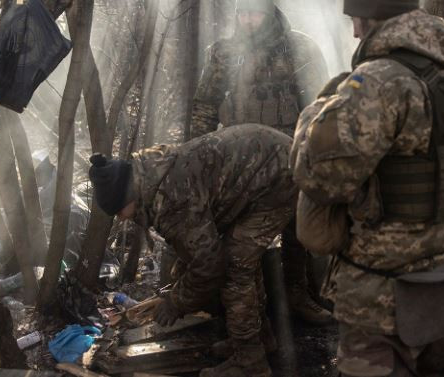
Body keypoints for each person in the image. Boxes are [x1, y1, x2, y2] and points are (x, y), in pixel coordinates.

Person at [290, 0, 444, 377]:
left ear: (375, 18)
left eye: (357, 19)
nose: (353, 31)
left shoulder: (381, 84)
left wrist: (314, 116)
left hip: (383, 299)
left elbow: (318, 177)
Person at [89, 124, 296, 377]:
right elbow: (198, 239)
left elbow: (210, 264)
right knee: (241, 260)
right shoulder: (153, 172)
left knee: (235, 268)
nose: (121, 219)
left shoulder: (169, 197)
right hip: (269, 165)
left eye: (119, 211)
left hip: (279, 177)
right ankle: (259, 339)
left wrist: (176, 302)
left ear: (129, 196)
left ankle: (250, 360)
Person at [190, 0, 332, 325]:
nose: (247, 20)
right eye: (242, 14)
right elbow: (206, 105)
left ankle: (297, 294)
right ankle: (252, 312)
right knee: (243, 236)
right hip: (240, 161)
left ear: (268, 13)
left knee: (297, 229)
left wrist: (315, 151)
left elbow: (320, 104)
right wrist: (196, 154)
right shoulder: (225, 54)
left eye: (254, 13)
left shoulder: (298, 49)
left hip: (290, 155)